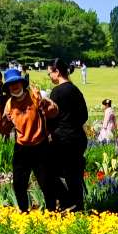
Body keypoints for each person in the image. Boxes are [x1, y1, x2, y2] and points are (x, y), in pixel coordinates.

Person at [0, 67, 61, 212]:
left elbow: (54, 112)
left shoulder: (35, 96)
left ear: (22, 83)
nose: (14, 86)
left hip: (40, 146)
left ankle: (51, 213)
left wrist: (47, 104)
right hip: (21, 148)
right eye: (11, 84)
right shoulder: (10, 104)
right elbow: (3, 131)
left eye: (16, 82)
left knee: (46, 183)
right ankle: (24, 213)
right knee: (18, 184)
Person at [47, 59, 89, 210]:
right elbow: (84, 115)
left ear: (57, 72)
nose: (50, 77)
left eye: (50, 73)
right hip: (78, 138)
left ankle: (67, 200)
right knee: (74, 176)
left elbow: (51, 117)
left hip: (63, 139)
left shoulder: (57, 92)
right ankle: (78, 207)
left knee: (46, 170)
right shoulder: (76, 90)